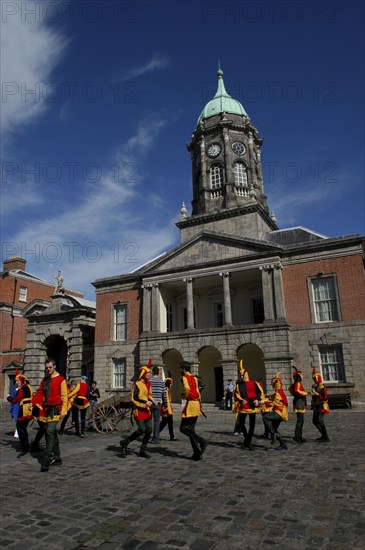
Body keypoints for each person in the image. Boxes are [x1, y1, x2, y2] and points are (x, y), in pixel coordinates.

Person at [31, 358, 68, 471]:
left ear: (54, 366)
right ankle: (57, 457)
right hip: (46, 410)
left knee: (50, 431)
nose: (48, 369)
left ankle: (47, 459)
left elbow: (64, 397)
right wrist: (32, 403)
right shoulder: (45, 380)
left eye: (50, 367)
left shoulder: (61, 380)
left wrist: (63, 411)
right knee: (52, 433)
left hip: (55, 410)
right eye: (47, 368)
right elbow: (39, 393)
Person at [120, 359, 156, 459]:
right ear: (144, 373)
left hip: (146, 410)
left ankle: (142, 450)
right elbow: (134, 398)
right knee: (141, 429)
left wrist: (153, 401)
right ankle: (125, 442)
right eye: (148, 373)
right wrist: (145, 403)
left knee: (149, 430)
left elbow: (149, 394)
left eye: (150, 373)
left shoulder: (148, 383)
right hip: (139, 410)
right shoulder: (137, 384)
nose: (150, 374)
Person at [179, 361, 207, 461]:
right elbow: (200, 389)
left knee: (183, 428)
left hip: (190, 404)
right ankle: (197, 453)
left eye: (180, 368)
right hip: (196, 404)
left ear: (183, 369)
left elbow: (186, 388)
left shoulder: (184, 378)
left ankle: (201, 441)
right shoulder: (195, 378)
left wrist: (184, 395)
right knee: (191, 430)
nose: (179, 370)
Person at [233, 361, 262, 451]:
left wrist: (257, 399)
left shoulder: (254, 383)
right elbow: (236, 395)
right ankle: (247, 440)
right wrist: (241, 400)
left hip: (252, 404)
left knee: (252, 424)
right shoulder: (239, 385)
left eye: (243, 375)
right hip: (244, 406)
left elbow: (259, 392)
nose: (241, 377)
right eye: (240, 375)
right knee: (241, 424)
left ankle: (247, 441)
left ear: (246, 374)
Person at [7, 371, 33, 453]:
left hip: (24, 410)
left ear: (21, 381)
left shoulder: (22, 389)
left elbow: (15, 400)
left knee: (19, 427)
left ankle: (24, 446)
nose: (16, 382)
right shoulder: (29, 387)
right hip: (29, 410)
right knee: (23, 428)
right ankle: (26, 445)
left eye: (17, 380)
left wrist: (8, 397)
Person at [263, 371, 289, 450]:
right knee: (274, 428)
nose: (272, 385)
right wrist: (268, 395)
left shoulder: (279, 392)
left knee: (265, 417)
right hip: (280, 411)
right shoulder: (278, 391)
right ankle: (283, 444)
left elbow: (274, 403)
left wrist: (264, 402)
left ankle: (273, 435)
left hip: (280, 412)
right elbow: (274, 396)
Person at [289, 367, 308, 443]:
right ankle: (297, 436)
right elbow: (296, 390)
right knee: (300, 421)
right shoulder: (298, 383)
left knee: (301, 420)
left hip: (299, 401)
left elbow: (290, 389)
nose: (303, 376)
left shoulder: (297, 383)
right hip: (299, 402)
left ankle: (299, 436)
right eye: (301, 375)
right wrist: (304, 393)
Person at [311, 368, 330, 442]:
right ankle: (323, 435)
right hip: (317, 406)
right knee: (315, 421)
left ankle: (326, 436)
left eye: (315, 379)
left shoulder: (322, 387)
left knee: (319, 420)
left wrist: (316, 394)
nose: (314, 380)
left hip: (322, 405)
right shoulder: (317, 387)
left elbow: (324, 397)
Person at [150, 366, 168, 443]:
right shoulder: (161, 382)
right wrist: (166, 404)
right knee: (157, 421)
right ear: (158, 373)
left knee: (149, 421)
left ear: (152, 372)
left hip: (150, 403)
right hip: (158, 403)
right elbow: (164, 394)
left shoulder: (149, 381)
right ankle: (156, 438)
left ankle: (147, 436)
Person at [159, 376, 177, 441]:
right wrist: (169, 410)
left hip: (167, 408)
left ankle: (172, 436)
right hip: (166, 409)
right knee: (164, 423)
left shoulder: (166, 389)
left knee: (169, 423)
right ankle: (156, 434)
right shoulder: (166, 390)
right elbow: (166, 400)